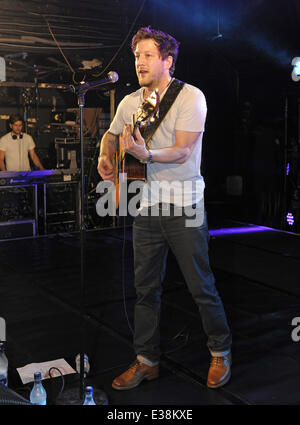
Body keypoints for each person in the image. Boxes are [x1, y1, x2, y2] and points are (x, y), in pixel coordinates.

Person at [97, 26, 232, 390]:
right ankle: (146, 360)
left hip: (185, 206)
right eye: (137, 56)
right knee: (145, 290)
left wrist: (148, 154)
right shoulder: (129, 102)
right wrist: (105, 157)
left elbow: (185, 150)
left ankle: (220, 351)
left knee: (200, 287)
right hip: (145, 207)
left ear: (167, 60)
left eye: (147, 56)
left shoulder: (190, 98)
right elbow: (111, 135)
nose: (139, 62)